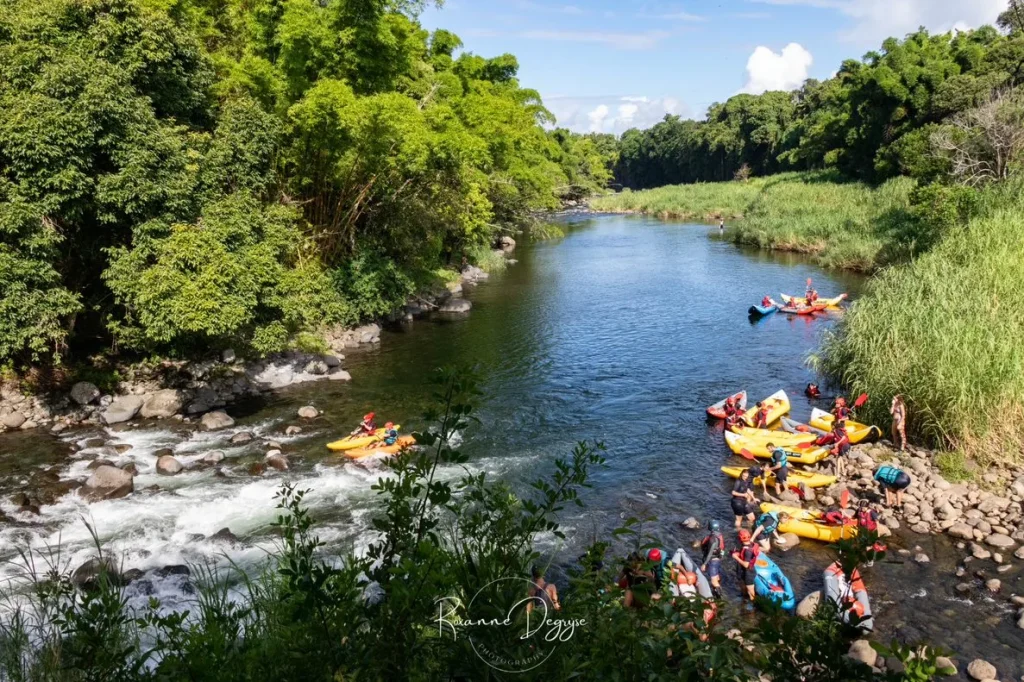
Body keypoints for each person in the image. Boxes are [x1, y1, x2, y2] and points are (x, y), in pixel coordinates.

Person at [731, 530, 759, 602]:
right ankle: (744, 599)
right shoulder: (750, 544)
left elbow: (746, 565)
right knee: (743, 586)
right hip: (744, 571)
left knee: (751, 592)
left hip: (749, 572)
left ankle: (752, 606)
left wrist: (736, 557)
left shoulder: (747, 551)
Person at [700, 520, 726, 598]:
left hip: (713, 562)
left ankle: (720, 598)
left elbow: (710, 553)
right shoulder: (719, 536)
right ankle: (716, 592)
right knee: (716, 578)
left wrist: (704, 564)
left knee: (714, 581)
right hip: (717, 560)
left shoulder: (712, 539)